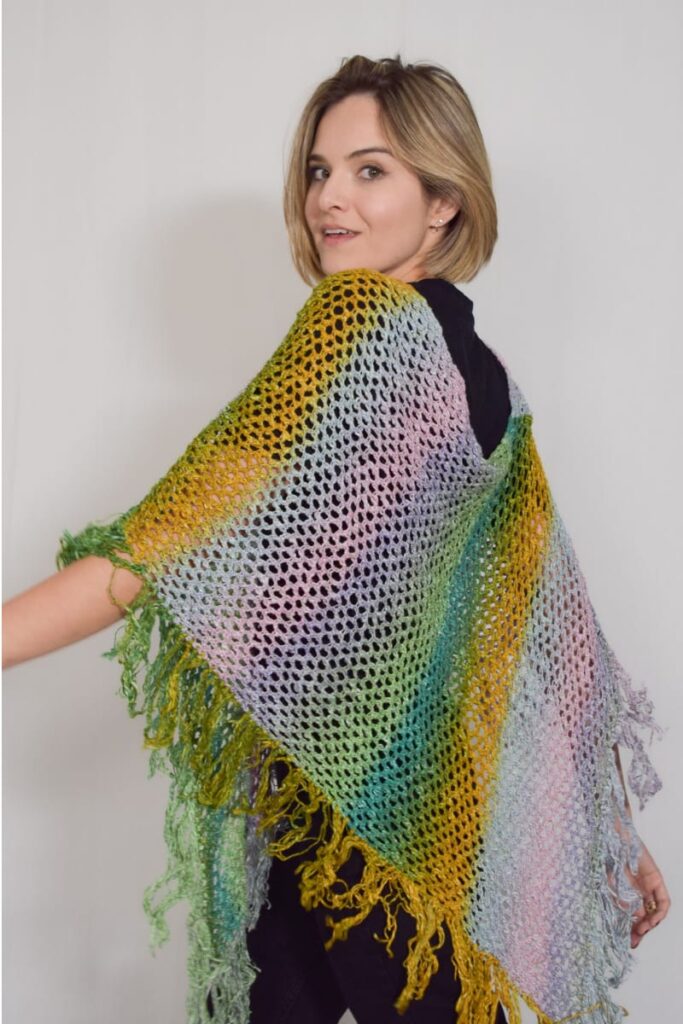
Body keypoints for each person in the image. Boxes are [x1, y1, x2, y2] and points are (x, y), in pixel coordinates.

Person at [3, 54, 670, 1024]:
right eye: (319, 170)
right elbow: (545, 643)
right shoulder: (489, 380)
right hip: (412, 827)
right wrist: (614, 830)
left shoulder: (356, 325)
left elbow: (156, 546)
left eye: (370, 170)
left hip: (344, 828)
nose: (328, 198)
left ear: (443, 200)